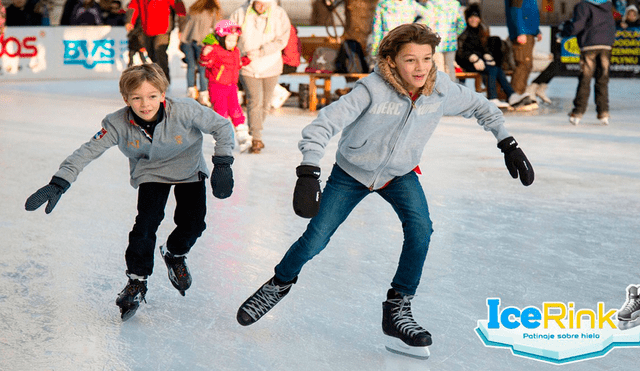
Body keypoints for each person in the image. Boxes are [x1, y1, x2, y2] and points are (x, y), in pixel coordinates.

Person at [235, 23, 534, 359]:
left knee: (421, 230)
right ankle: (279, 283)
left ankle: (398, 307)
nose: (420, 67)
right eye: (410, 60)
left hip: (399, 174)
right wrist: (308, 171)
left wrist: (507, 143)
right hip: (351, 173)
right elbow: (323, 125)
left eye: (426, 58)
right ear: (391, 61)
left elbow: (481, 106)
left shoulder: (441, 89)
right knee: (315, 239)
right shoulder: (371, 89)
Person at [24, 63, 236, 321]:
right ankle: (136, 280)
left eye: (152, 97)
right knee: (145, 225)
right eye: (136, 98)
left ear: (163, 95)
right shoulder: (116, 123)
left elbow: (222, 126)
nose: (145, 104)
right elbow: (87, 151)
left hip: (189, 169)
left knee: (193, 224)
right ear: (126, 99)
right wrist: (60, 182)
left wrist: (223, 163)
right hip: (150, 172)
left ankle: (174, 253)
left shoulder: (186, 110)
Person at [230, 0, 291, 154]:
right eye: (258, 3)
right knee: (254, 100)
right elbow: (227, 32)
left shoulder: (279, 14)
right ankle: (256, 137)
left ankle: (254, 130)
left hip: (271, 64)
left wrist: (262, 51)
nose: (262, 6)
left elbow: (282, 39)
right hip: (248, 65)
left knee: (265, 103)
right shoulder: (240, 13)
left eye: (265, 3)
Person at [456, 4, 532, 109]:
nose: (474, 20)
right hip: (467, 62)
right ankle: (492, 98)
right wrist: (473, 58)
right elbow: (460, 53)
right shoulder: (464, 33)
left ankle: (512, 95)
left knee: (497, 68)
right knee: (491, 70)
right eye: (471, 17)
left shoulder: (481, 31)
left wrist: (487, 55)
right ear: (467, 19)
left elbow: (482, 48)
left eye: (476, 17)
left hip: (480, 61)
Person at [560, 0, 616, 125]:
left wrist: (564, 32)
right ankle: (603, 112)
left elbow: (578, 25)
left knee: (585, 78)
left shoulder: (583, 5)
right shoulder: (607, 5)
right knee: (602, 79)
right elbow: (612, 24)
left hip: (589, 44)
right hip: (606, 45)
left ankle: (578, 112)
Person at [200, 20, 253, 152]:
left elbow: (237, 65)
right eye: (229, 40)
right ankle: (222, 139)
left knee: (236, 110)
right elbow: (205, 63)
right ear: (221, 38)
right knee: (221, 112)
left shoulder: (235, 51)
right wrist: (205, 54)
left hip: (231, 87)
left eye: (235, 40)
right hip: (217, 87)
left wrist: (246, 60)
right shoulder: (215, 50)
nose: (232, 43)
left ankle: (242, 136)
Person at [126, 0, 187, 83]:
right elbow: (133, 6)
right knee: (151, 53)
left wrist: (181, 27)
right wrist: (129, 21)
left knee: (159, 51)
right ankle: (159, 75)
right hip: (147, 28)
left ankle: (164, 79)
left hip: (163, 28)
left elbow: (179, 7)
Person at [178, 0, 222, 107]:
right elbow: (217, 28)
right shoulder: (213, 10)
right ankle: (203, 94)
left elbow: (185, 25)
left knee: (191, 66)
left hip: (187, 40)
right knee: (203, 68)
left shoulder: (194, 8)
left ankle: (191, 92)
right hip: (203, 42)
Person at [419, 0, 466, 81]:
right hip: (451, 42)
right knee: (450, 68)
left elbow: (428, 21)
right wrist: (455, 35)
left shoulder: (431, 3)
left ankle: (440, 91)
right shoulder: (455, 4)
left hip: (436, 41)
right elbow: (462, 24)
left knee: (438, 68)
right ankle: (451, 91)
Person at [505, 0, 542, 96]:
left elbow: (531, 12)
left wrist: (537, 30)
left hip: (529, 33)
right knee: (523, 64)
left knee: (527, 65)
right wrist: (520, 32)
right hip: (522, 33)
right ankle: (515, 95)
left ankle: (520, 93)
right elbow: (515, 10)